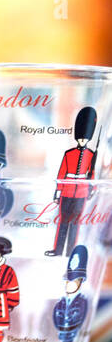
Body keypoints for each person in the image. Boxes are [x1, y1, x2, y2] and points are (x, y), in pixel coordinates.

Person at [47, 106, 98, 257]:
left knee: (76, 223)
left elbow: (92, 174)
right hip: (67, 192)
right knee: (62, 222)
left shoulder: (91, 155)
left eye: (85, 138)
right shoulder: (68, 154)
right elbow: (62, 172)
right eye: (81, 138)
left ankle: (70, 252)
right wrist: (58, 191)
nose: (83, 141)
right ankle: (58, 250)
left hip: (81, 192)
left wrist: (91, 189)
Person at [45, 245, 89, 342]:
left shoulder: (82, 301)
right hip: (62, 328)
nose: (69, 285)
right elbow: (55, 314)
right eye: (68, 282)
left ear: (80, 282)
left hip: (72, 329)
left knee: (70, 339)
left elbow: (83, 314)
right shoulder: (62, 301)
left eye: (73, 282)